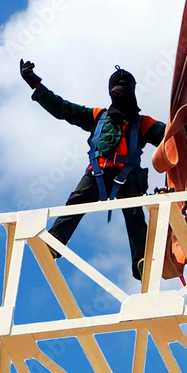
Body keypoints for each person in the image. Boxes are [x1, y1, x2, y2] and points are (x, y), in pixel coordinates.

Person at [19, 59, 166, 280]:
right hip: (98, 172)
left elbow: (170, 137)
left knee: (135, 215)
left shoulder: (143, 122)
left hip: (128, 174)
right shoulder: (98, 116)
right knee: (76, 202)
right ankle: (54, 242)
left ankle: (142, 260)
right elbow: (63, 108)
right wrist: (37, 86)